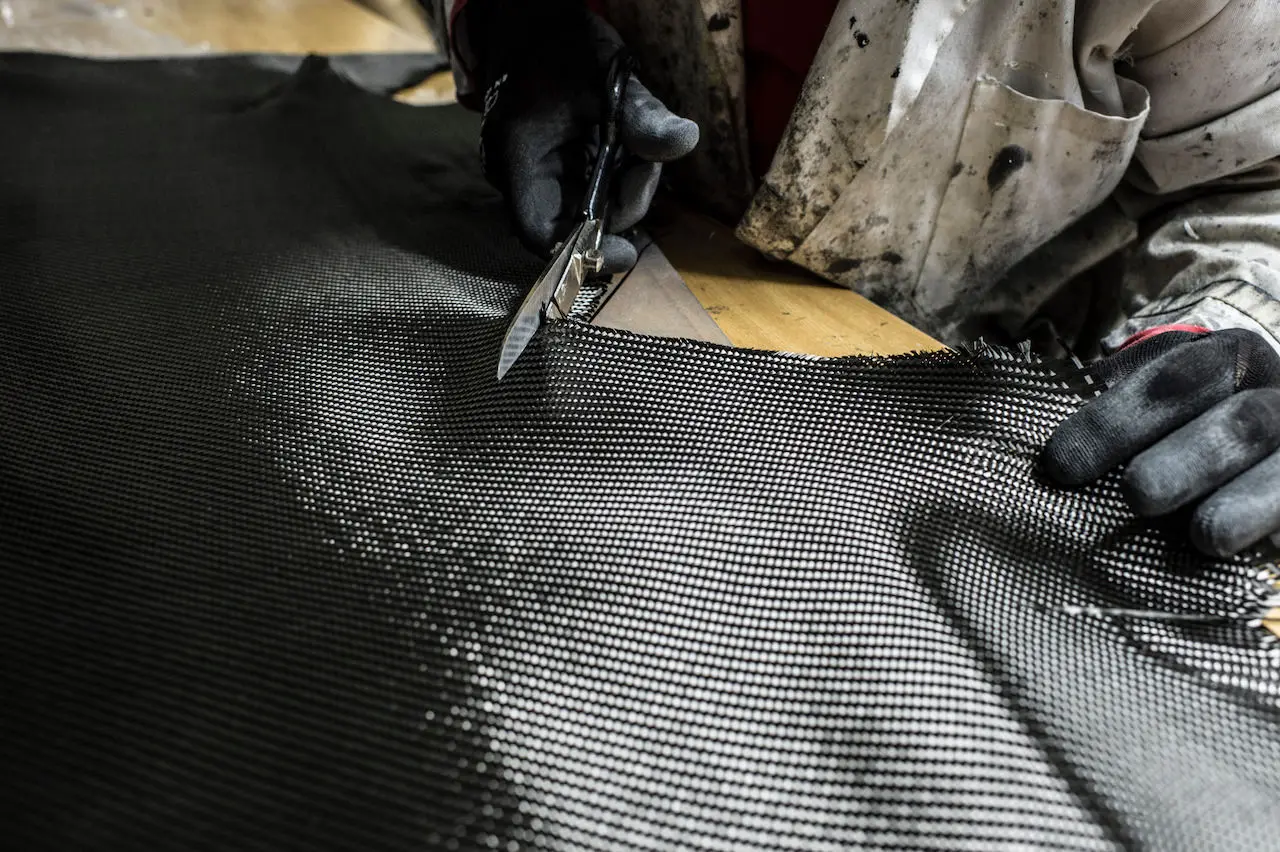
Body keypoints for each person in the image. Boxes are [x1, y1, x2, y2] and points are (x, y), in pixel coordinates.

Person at [420, 0, 1280, 558]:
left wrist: (1245, 323)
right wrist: (506, 24)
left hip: (962, 421)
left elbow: (1257, 181)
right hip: (650, 249)